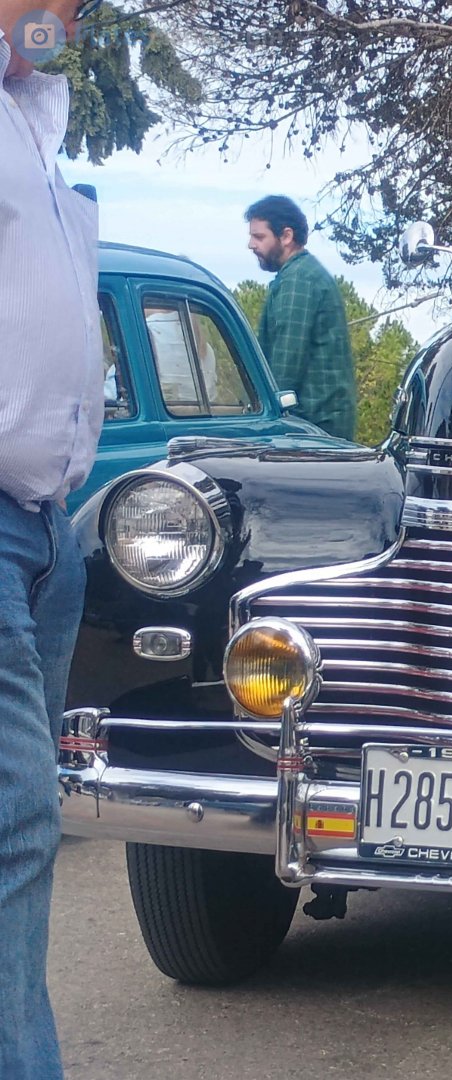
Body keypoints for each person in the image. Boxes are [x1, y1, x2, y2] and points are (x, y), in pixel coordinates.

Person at [0, 1, 106, 1076]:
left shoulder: (35, 121)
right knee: (16, 825)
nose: (66, 12)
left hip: (43, 524)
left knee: (22, 835)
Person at [245, 195, 357, 439]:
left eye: (259, 237)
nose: (251, 245)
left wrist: (262, 420)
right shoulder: (300, 275)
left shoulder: (299, 280)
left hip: (313, 430)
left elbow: (285, 365)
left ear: (286, 236)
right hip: (318, 426)